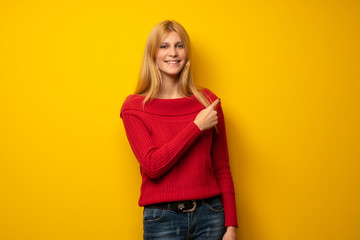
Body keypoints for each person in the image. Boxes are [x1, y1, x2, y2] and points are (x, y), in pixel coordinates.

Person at [120, 20, 238, 240]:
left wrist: (231, 227)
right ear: (152, 54)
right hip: (162, 219)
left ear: (187, 52)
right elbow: (153, 165)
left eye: (179, 45)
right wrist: (196, 127)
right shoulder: (135, 108)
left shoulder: (208, 102)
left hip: (210, 217)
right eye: (164, 46)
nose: (172, 53)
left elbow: (222, 167)